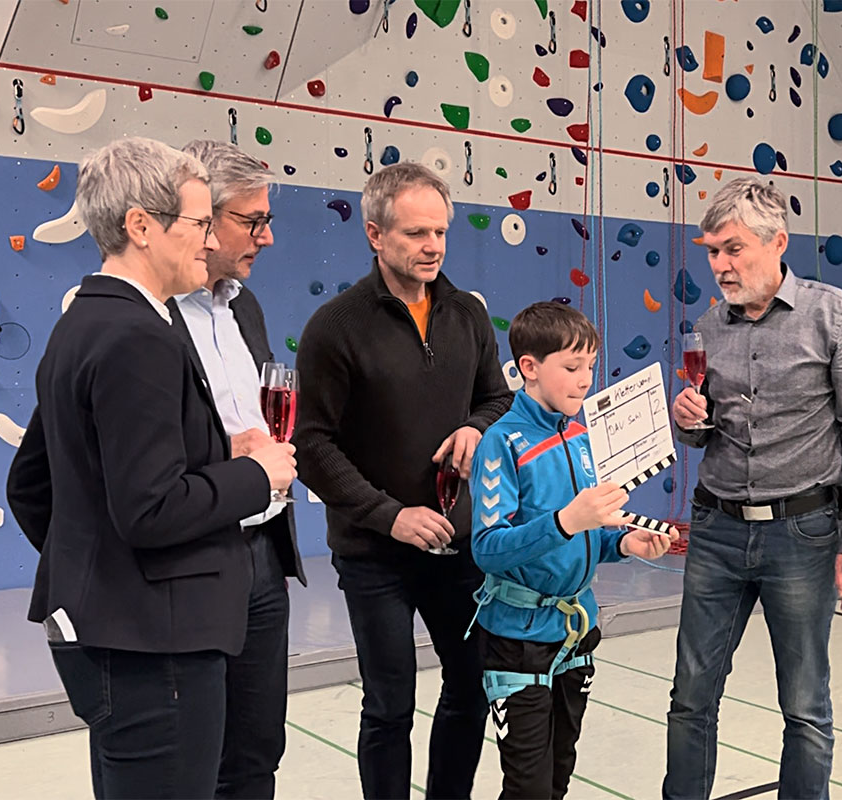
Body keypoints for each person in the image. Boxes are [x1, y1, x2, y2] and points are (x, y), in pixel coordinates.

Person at [5, 137, 297, 799]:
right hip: (156, 635)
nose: (208, 240)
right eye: (199, 223)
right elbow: (151, 507)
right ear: (141, 225)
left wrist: (221, 457)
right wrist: (259, 474)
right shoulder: (139, 334)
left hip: (136, 625)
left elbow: (53, 482)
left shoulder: (88, 319)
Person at [292, 161, 512, 799]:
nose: (433, 246)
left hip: (460, 546)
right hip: (374, 555)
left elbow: (497, 398)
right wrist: (389, 516)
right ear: (375, 234)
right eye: (416, 233)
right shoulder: (334, 328)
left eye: (440, 232)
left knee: (471, 690)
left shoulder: (468, 315)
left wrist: (477, 427)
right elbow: (312, 445)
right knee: (389, 706)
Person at [664, 178, 842, 800]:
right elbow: (706, 433)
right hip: (716, 532)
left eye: (733, 249)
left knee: (805, 705)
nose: (720, 266)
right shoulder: (708, 325)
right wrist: (689, 421)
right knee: (690, 696)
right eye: (712, 252)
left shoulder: (836, 315)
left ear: (777, 242)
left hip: (803, 535)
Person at [468, 301, 676, 800]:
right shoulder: (502, 443)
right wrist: (565, 521)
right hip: (517, 641)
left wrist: (623, 542)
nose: (585, 381)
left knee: (559, 773)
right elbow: (488, 548)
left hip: (575, 634)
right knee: (529, 787)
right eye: (571, 367)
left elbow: (589, 533)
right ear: (529, 367)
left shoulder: (583, 438)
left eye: (591, 366)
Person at [164, 139, 307, 799]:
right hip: (189, 557)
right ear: (202, 217)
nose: (267, 237)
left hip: (261, 553)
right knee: (185, 763)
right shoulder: (149, 315)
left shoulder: (243, 305)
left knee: (256, 753)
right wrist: (230, 453)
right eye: (253, 221)